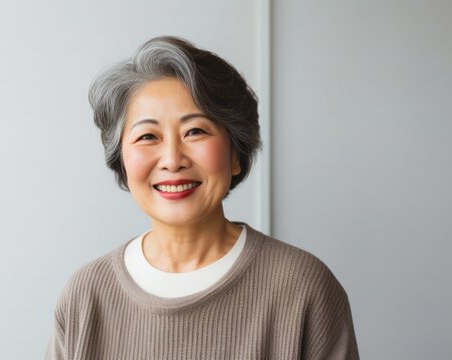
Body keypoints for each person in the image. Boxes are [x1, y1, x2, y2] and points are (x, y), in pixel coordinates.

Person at [45, 36, 359, 360]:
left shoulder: (304, 287)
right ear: (122, 161)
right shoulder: (85, 295)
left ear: (235, 153)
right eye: (148, 136)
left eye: (195, 131)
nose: (172, 159)